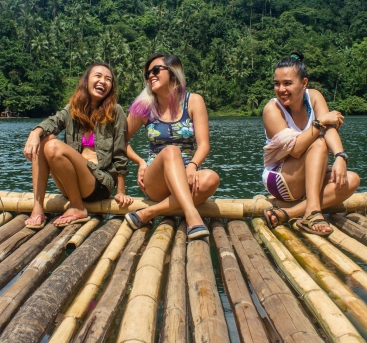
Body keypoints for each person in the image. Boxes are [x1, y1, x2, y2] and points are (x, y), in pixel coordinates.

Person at [123, 53, 220, 240]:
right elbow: (120, 142)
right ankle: (193, 216)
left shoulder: (193, 101)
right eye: (148, 73)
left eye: (156, 70)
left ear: (174, 72)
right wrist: (141, 162)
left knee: (211, 178)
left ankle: (148, 213)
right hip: (156, 180)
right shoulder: (144, 106)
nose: (151, 75)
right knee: (170, 151)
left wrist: (192, 165)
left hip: (187, 174)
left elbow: (204, 145)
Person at [23, 63, 132, 228]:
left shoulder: (115, 111)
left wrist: (121, 191)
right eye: (98, 76)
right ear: (86, 80)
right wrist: (35, 132)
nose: (103, 81)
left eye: (108, 79)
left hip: (99, 183)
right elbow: (53, 122)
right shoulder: (73, 109)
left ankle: (77, 207)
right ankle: (38, 208)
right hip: (71, 183)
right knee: (44, 139)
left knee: (53, 146)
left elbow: (120, 152)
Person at [262, 50, 360, 236]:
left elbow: (330, 129)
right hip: (280, 178)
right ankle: (313, 213)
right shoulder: (272, 109)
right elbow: (297, 149)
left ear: (304, 83)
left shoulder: (313, 97)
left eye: (287, 83)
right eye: (277, 84)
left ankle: (288, 213)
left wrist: (340, 156)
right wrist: (320, 122)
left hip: (308, 173)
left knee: (352, 179)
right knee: (320, 143)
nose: (281, 89)